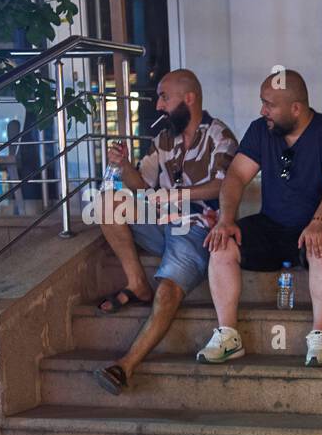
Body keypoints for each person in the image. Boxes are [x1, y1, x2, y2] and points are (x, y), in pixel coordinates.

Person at [91, 69, 238, 395]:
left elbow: (224, 184)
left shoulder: (220, 136)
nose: (158, 105)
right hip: (162, 220)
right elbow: (142, 188)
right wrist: (125, 166)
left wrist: (178, 196)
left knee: (169, 290)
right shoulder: (164, 140)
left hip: (198, 228)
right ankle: (136, 282)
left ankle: (126, 365)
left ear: (189, 99)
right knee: (107, 203)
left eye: (164, 97)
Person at [198, 69, 322, 366]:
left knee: (320, 246)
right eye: (262, 102)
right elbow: (235, 176)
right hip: (273, 226)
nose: (262, 111)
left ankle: (319, 336)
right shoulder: (261, 130)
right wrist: (227, 219)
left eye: (269, 104)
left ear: (295, 108)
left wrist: (319, 222)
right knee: (222, 244)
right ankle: (228, 336)